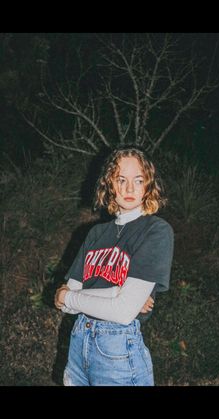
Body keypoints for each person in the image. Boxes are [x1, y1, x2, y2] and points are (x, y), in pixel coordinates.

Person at [55, 146, 174, 386]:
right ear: (109, 184)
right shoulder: (96, 233)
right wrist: (114, 293)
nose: (130, 188)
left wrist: (70, 296)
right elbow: (64, 306)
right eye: (121, 180)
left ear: (148, 186)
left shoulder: (155, 230)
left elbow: (121, 312)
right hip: (78, 343)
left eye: (138, 180)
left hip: (117, 349)